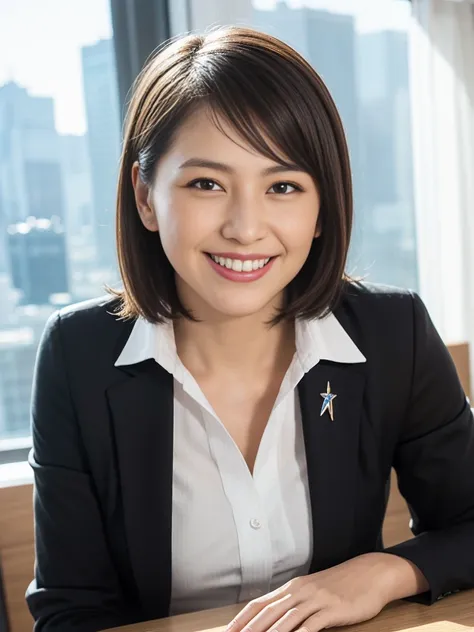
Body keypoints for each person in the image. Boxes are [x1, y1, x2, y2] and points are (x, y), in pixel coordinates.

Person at [26, 25, 474, 632]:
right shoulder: (77, 355)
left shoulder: (392, 333)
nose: (245, 227)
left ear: (323, 210)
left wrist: (383, 572)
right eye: (206, 184)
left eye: (283, 186)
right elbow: (69, 610)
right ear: (146, 196)